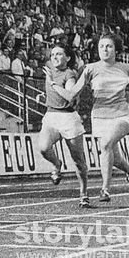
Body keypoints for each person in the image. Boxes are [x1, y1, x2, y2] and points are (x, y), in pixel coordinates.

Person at [48, 33, 129, 202]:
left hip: (122, 115)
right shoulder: (90, 68)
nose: (105, 49)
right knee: (115, 158)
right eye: (102, 46)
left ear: (116, 49)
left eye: (109, 46)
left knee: (106, 144)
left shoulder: (126, 67)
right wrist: (53, 85)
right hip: (100, 117)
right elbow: (72, 93)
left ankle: (105, 190)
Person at [38, 44, 89, 208]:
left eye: (59, 54)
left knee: (78, 161)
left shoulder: (70, 74)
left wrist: (52, 84)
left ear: (67, 58)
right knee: (44, 147)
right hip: (51, 115)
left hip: (68, 118)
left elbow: (69, 96)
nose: (54, 57)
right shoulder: (49, 69)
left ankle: (83, 194)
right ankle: (56, 164)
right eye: (52, 54)